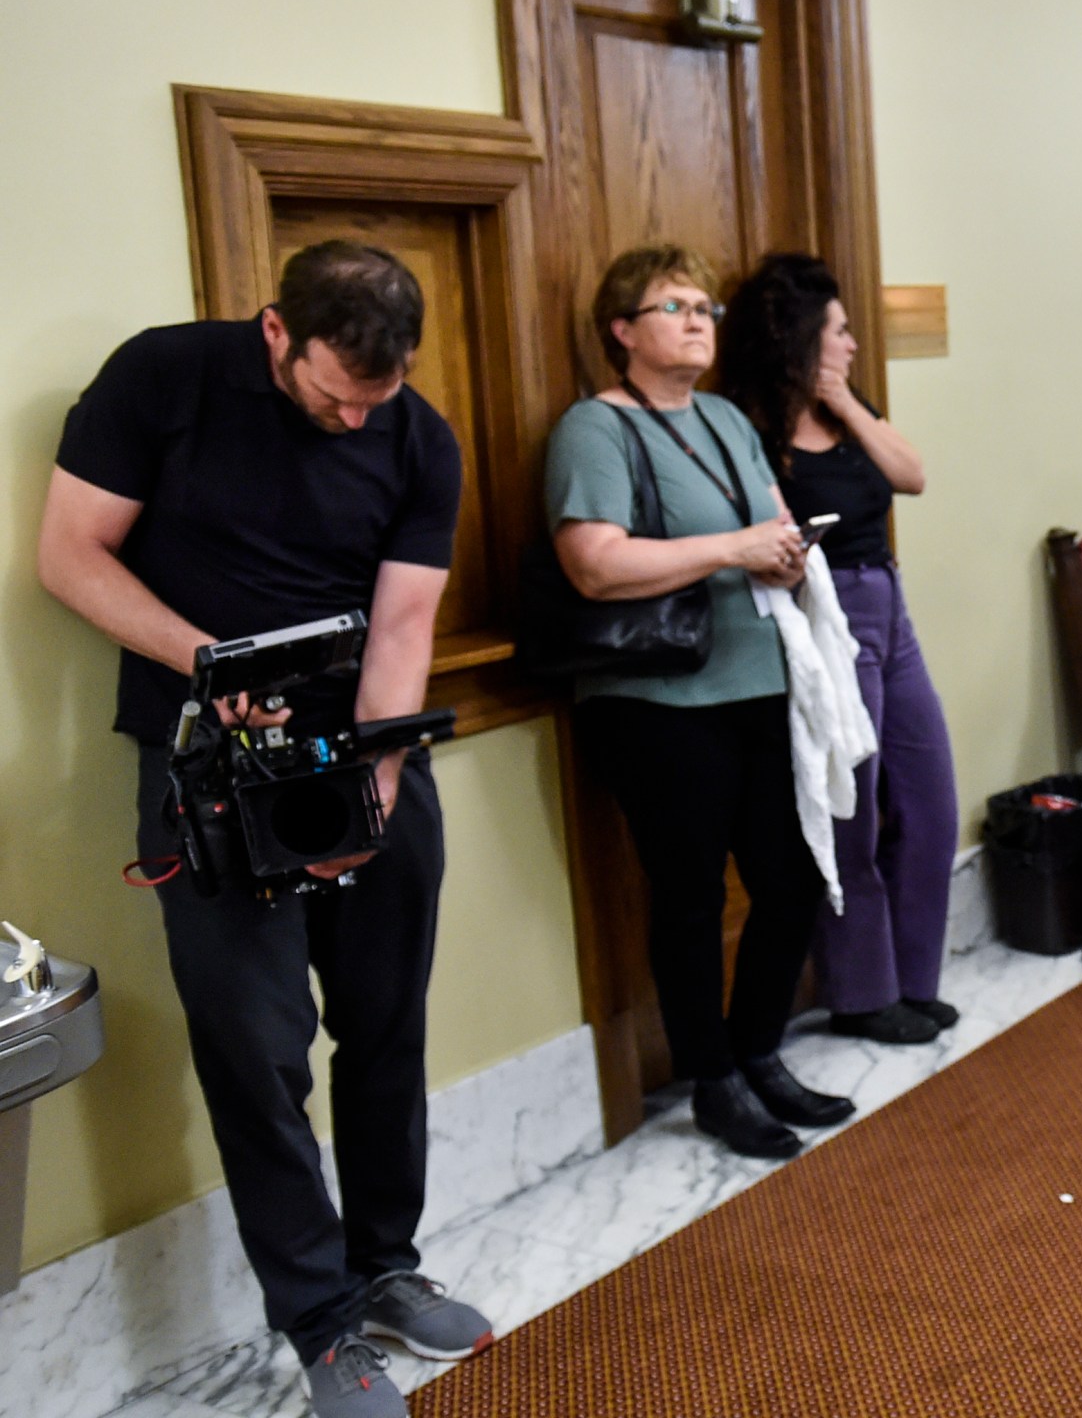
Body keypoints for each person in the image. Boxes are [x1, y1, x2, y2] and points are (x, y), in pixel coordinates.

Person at [37, 241, 489, 1417]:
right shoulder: (163, 381)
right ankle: (323, 1321)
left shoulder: (417, 436)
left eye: (375, 403)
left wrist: (379, 779)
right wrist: (209, 664)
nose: (354, 422)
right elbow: (65, 557)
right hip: (210, 771)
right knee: (259, 1048)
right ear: (276, 332)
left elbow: (401, 628)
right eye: (337, 394)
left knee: (385, 1026)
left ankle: (386, 1264)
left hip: (364, 752)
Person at [546, 244, 853, 1161]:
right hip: (657, 700)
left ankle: (759, 1051)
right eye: (672, 306)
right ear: (621, 330)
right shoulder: (594, 429)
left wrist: (787, 551)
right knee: (684, 898)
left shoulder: (722, 416)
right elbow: (593, 563)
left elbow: (767, 526)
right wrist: (734, 550)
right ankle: (711, 1078)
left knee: (791, 881)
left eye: (705, 308)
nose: (696, 321)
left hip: (761, 680)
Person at [718, 252, 962, 1048]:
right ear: (799, 339)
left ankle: (915, 980)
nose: (853, 343)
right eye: (839, 332)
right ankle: (864, 994)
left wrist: (841, 400)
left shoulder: (849, 405)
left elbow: (913, 475)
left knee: (929, 798)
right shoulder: (750, 424)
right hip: (824, 612)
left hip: (888, 603)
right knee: (851, 809)